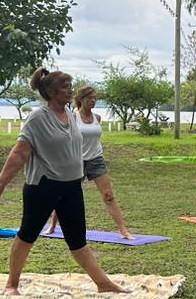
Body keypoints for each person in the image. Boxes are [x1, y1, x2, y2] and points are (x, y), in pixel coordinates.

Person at [0, 68, 126, 296]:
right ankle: (12, 284)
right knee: (27, 234)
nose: (70, 89)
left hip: (71, 186)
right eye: (64, 86)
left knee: (77, 239)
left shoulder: (71, 114)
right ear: (50, 91)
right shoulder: (38, 118)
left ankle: (103, 283)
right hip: (43, 185)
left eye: (70, 84)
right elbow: (19, 153)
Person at [46, 85, 134, 240]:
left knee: (108, 195)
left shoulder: (97, 118)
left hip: (96, 159)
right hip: (76, 161)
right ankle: (53, 226)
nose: (93, 101)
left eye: (95, 98)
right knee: (64, 196)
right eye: (89, 98)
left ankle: (124, 230)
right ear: (81, 99)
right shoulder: (73, 117)